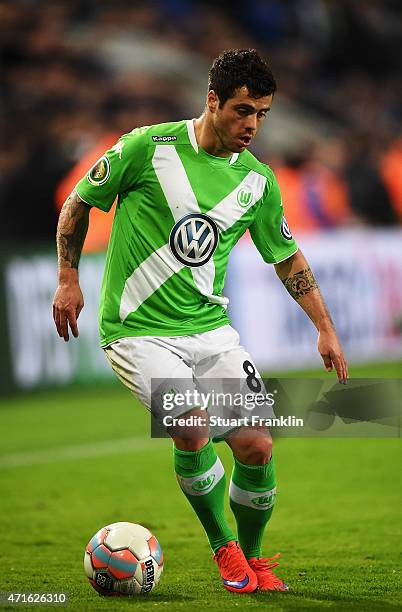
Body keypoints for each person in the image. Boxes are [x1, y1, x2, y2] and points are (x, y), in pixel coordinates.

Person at [53, 49, 348, 594]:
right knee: (191, 424)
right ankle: (224, 547)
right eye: (242, 110)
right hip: (136, 331)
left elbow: (288, 258)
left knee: (258, 443)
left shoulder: (257, 182)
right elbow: (78, 204)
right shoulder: (147, 147)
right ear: (212, 101)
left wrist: (324, 327)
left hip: (210, 332)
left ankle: (256, 558)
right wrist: (69, 279)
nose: (253, 125)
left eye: (262, 114)